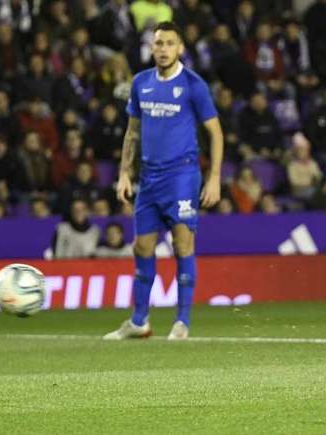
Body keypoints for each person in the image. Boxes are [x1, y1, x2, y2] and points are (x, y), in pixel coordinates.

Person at [103, 21, 223, 341]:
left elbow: (215, 132)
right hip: (149, 177)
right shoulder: (141, 83)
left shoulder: (194, 85)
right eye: (159, 43)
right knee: (142, 246)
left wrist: (214, 179)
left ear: (180, 48)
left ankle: (181, 321)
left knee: (183, 244)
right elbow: (132, 132)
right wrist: (124, 173)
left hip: (182, 175)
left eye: (170, 43)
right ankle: (139, 320)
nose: (164, 49)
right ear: (152, 47)